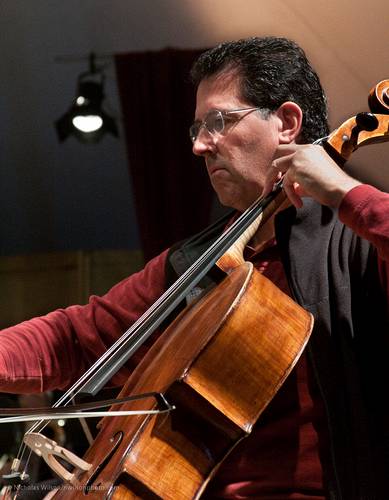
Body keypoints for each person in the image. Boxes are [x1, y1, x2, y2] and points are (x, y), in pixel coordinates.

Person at [1, 36, 388, 499]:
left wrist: (345, 192)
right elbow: (74, 337)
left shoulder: (355, 243)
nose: (201, 146)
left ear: (287, 123)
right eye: (197, 128)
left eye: (219, 122)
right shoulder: (194, 261)